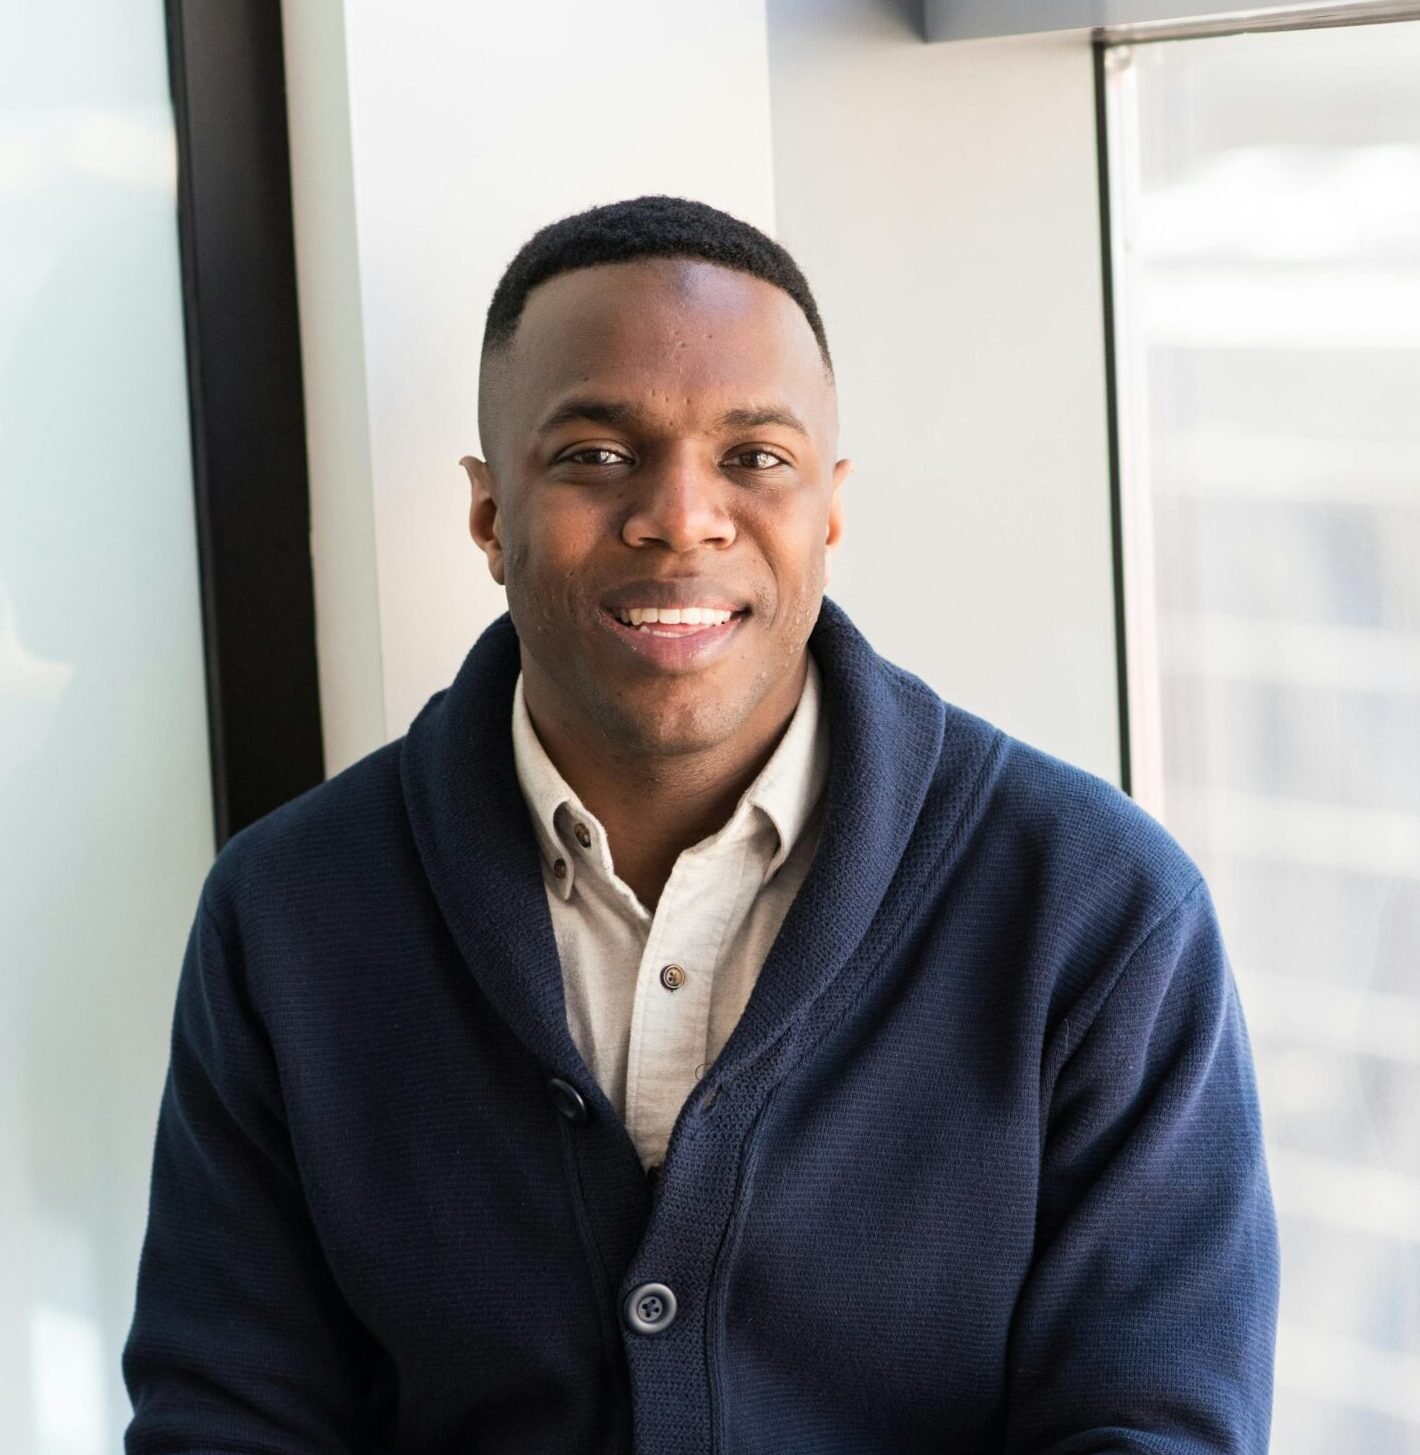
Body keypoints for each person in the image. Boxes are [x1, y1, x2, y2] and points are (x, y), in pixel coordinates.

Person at [122, 195, 1279, 1453]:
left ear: (828, 506)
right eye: (595, 456)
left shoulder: (1097, 908)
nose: (681, 515)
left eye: (754, 458)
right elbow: (228, 1416)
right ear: (488, 513)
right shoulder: (290, 911)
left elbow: (1153, 1427)